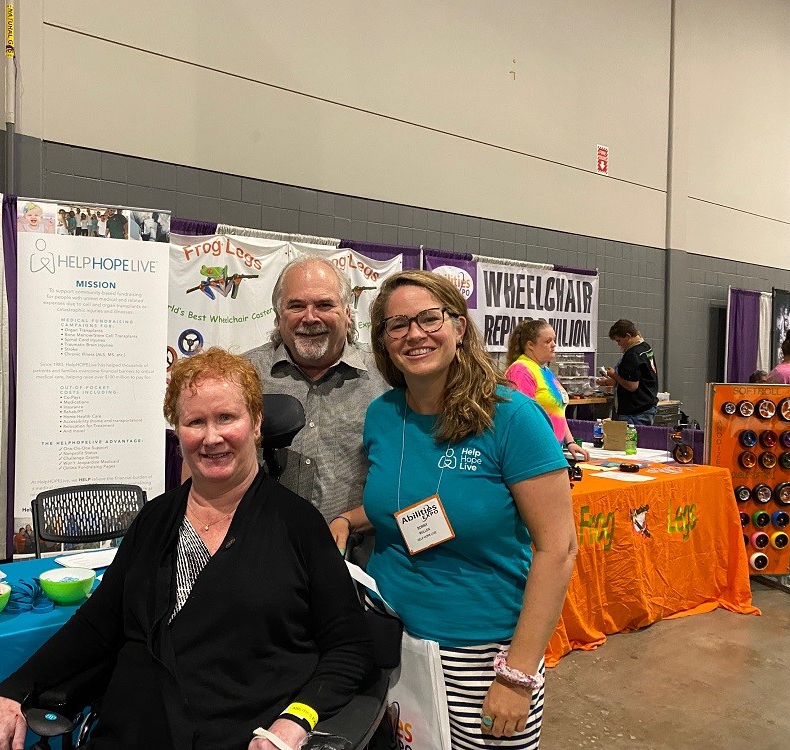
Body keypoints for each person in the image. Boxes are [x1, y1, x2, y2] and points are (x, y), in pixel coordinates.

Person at [0, 347, 373, 750]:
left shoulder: (298, 524)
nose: (212, 437)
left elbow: (349, 646)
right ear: (178, 432)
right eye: (195, 421)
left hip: (244, 736)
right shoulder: (155, 519)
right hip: (131, 731)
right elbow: (98, 624)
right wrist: (14, 690)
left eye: (226, 418)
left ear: (256, 423)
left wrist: (295, 722)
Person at [334, 270, 577, 749]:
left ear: (459, 327)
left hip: (483, 653)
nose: (415, 334)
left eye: (430, 318)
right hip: (393, 641)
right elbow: (398, 505)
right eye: (397, 325)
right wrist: (346, 519)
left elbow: (560, 548)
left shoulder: (510, 416)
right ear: (383, 340)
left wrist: (518, 675)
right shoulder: (384, 414)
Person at [242, 255, 388, 549]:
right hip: (262, 553)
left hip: (357, 563)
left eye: (324, 305)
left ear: (347, 313)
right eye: (296, 306)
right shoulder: (242, 376)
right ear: (277, 316)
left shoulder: (386, 378)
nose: (310, 317)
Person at [505, 318, 589, 462]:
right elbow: (522, 418)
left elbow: (558, 411)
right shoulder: (521, 371)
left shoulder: (545, 371)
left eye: (554, 340)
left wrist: (570, 442)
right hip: (533, 452)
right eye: (547, 341)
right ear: (531, 345)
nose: (554, 345)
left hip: (551, 449)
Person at [596, 319, 659, 425]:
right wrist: (609, 381)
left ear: (628, 336)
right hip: (647, 405)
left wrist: (614, 375)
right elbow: (635, 378)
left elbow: (632, 386)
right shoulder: (645, 347)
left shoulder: (632, 355)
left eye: (619, 340)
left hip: (635, 412)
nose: (618, 344)